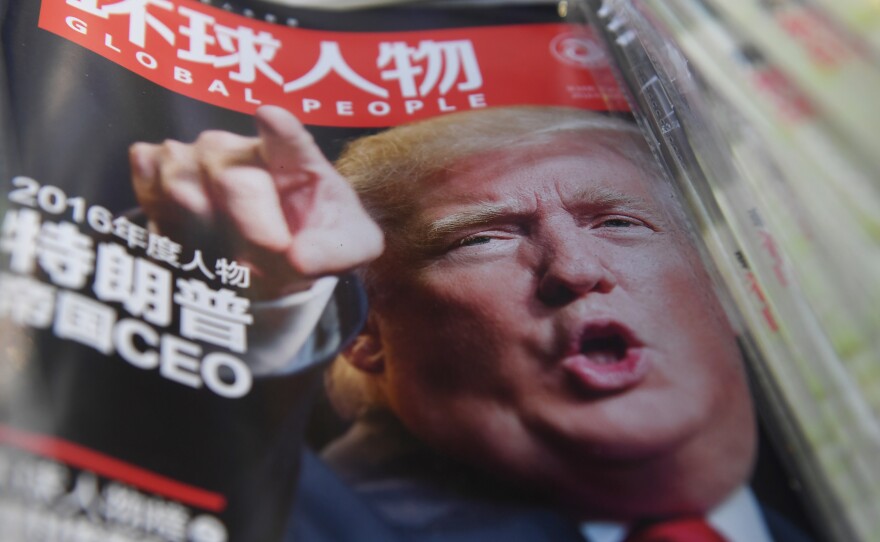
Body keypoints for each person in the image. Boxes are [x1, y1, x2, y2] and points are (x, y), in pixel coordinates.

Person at [129, 106, 802, 541]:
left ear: (740, 291)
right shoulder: (304, 520)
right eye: (479, 239)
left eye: (621, 223)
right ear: (366, 331)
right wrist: (245, 289)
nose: (572, 267)